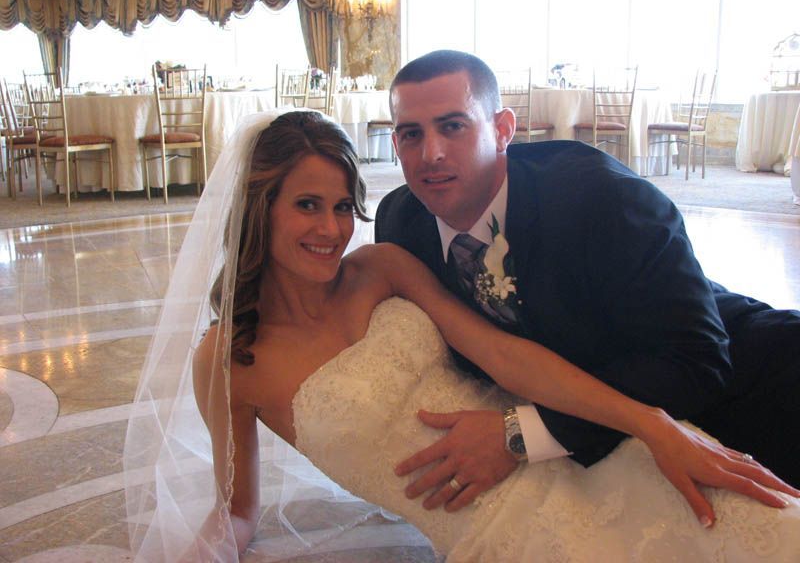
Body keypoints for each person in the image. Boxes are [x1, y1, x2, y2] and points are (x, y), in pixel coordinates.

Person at [124, 109, 799, 562]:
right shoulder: (227, 361)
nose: (331, 230)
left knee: (765, 528)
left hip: (565, 452)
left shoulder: (382, 267)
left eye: (340, 207)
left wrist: (653, 426)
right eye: (306, 205)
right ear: (257, 207)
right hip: (501, 534)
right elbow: (237, 511)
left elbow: (505, 354)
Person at [375, 49, 800, 517]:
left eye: (453, 126)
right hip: (607, 435)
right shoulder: (401, 222)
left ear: (502, 130)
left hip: (749, 391)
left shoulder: (605, 201)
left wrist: (521, 433)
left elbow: (697, 360)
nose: (430, 154)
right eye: (411, 134)